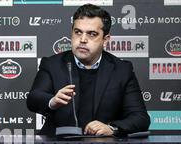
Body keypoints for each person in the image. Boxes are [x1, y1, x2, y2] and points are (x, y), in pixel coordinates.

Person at [27, 4, 150, 136]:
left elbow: (141, 118)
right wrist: (52, 101)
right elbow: (33, 99)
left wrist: (112, 128)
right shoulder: (52, 64)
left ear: (105, 40)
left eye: (92, 34)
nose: (83, 40)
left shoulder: (121, 70)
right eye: (78, 32)